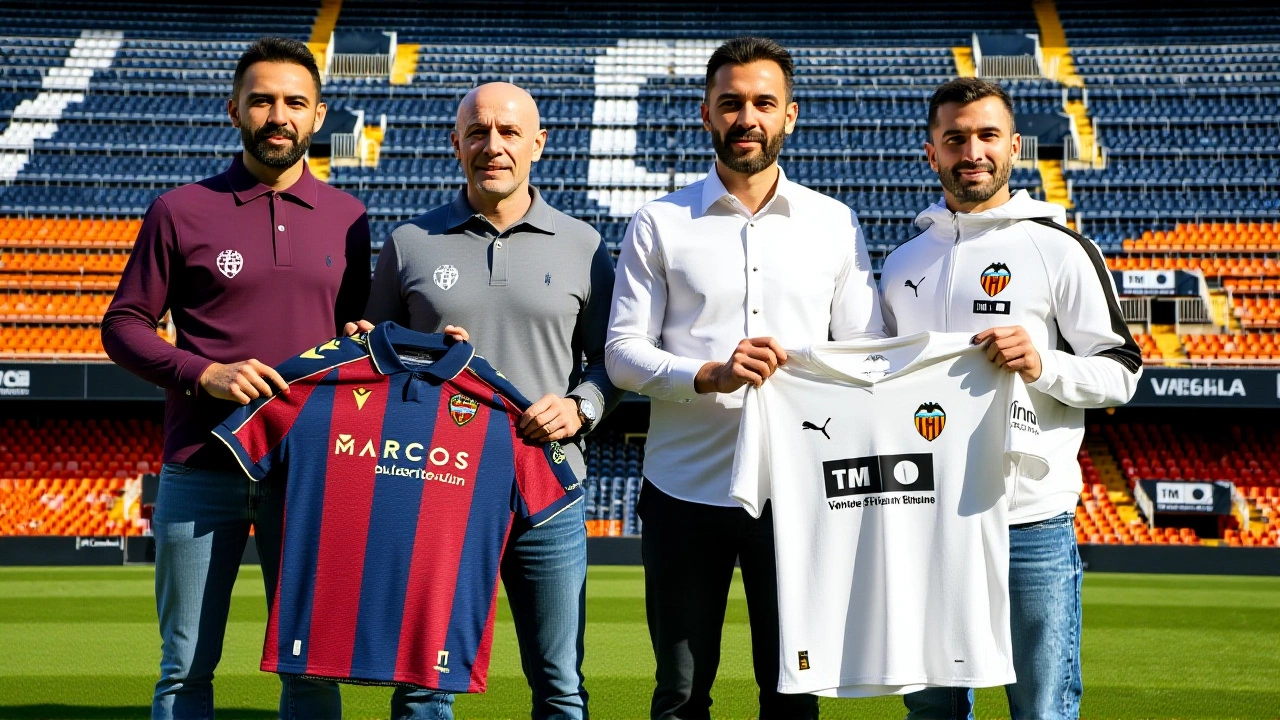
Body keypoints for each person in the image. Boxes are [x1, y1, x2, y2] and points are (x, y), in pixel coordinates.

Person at [605, 37, 884, 720]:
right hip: (683, 491)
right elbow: (621, 353)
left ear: (790, 115)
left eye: (764, 103)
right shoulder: (660, 222)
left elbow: (868, 355)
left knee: (792, 694)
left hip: (799, 494)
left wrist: (811, 373)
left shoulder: (835, 225)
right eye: (731, 103)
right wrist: (709, 373)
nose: (747, 117)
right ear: (706, 114)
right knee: (678, 696)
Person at [101, 37, 370, 720]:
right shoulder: (180, 209)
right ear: (234, 109)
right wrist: (204, 374)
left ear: (319, 116)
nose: (278, 115)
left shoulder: (351, 219)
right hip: (201, 465)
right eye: (263, 100)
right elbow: (124, 324)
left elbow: (361, 335)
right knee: (183, 671)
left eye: (294, 103)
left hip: (311, 472)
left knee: (312, 669)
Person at [350, 81, 622, 720]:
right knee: (422, 687)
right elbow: (371, 359)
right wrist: (416, 351)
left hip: (548, 492)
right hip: (431, 491)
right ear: (455, 144)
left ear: (538, 144)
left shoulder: (582, 245)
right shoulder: (409, 243)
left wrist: (581, 405)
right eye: (477, 132)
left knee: (559, 686)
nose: (492, 145)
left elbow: (615, 362)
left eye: (507, 132)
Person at [879, 77, 1142, 720]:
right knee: (932, 711)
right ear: (931, 152)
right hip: (924, 515)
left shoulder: (1059, 248)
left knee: (1041, 709)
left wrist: (1043, 363)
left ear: (1015, 147)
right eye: (955, 138)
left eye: (987, 135)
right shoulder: (900, 261)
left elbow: (1122, 370)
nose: (972, 150)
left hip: (1030, 523)